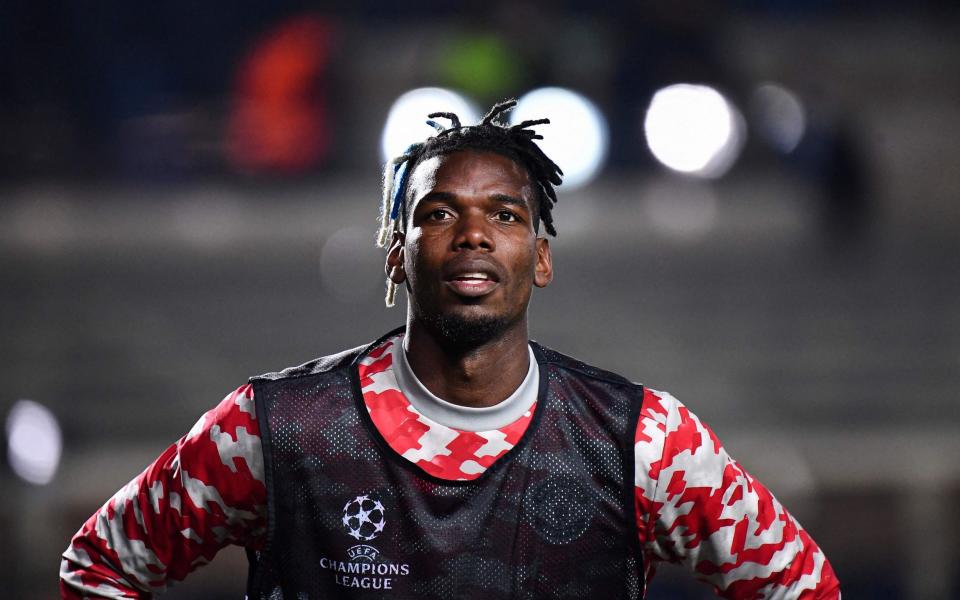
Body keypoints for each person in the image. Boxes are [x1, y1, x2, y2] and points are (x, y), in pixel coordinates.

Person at [61, 100, 840, 599]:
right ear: (396, 255)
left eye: (504, 215)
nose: (472, 234)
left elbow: (801, 587)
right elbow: (98, 567)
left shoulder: (642, 441)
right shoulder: (274, 428)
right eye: (439, 213)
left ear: (539, 257)